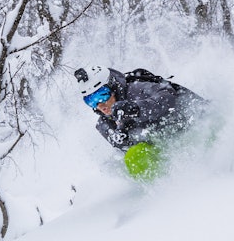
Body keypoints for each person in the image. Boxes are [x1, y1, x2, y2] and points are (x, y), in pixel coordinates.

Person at [74, 65, 212, 180]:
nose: (100, 104)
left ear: (113, 86)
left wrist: (137, 109)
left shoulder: (136, 89)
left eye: (102, 94)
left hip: (193, 125)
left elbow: (167, 97)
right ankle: (162, 194)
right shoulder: (105, 125)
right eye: (90, 101)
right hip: (168, 149)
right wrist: (124, 142)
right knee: (129, 158)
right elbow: (126, 151)